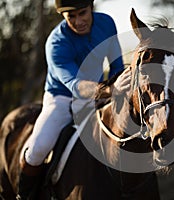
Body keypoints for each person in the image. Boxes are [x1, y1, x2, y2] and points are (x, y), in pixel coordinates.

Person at [16, 0, 131, 199]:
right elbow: (75, 85)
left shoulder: (107, 24)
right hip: (61, 98)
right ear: (63, 16)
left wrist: (121, 87)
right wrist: (111, 90)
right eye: (71, 16)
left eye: (82, 13)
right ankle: (24, 195)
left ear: (91, 8)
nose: (78, 21)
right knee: (37, 149)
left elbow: (116, 66)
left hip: (99, 96)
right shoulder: (56, 42)